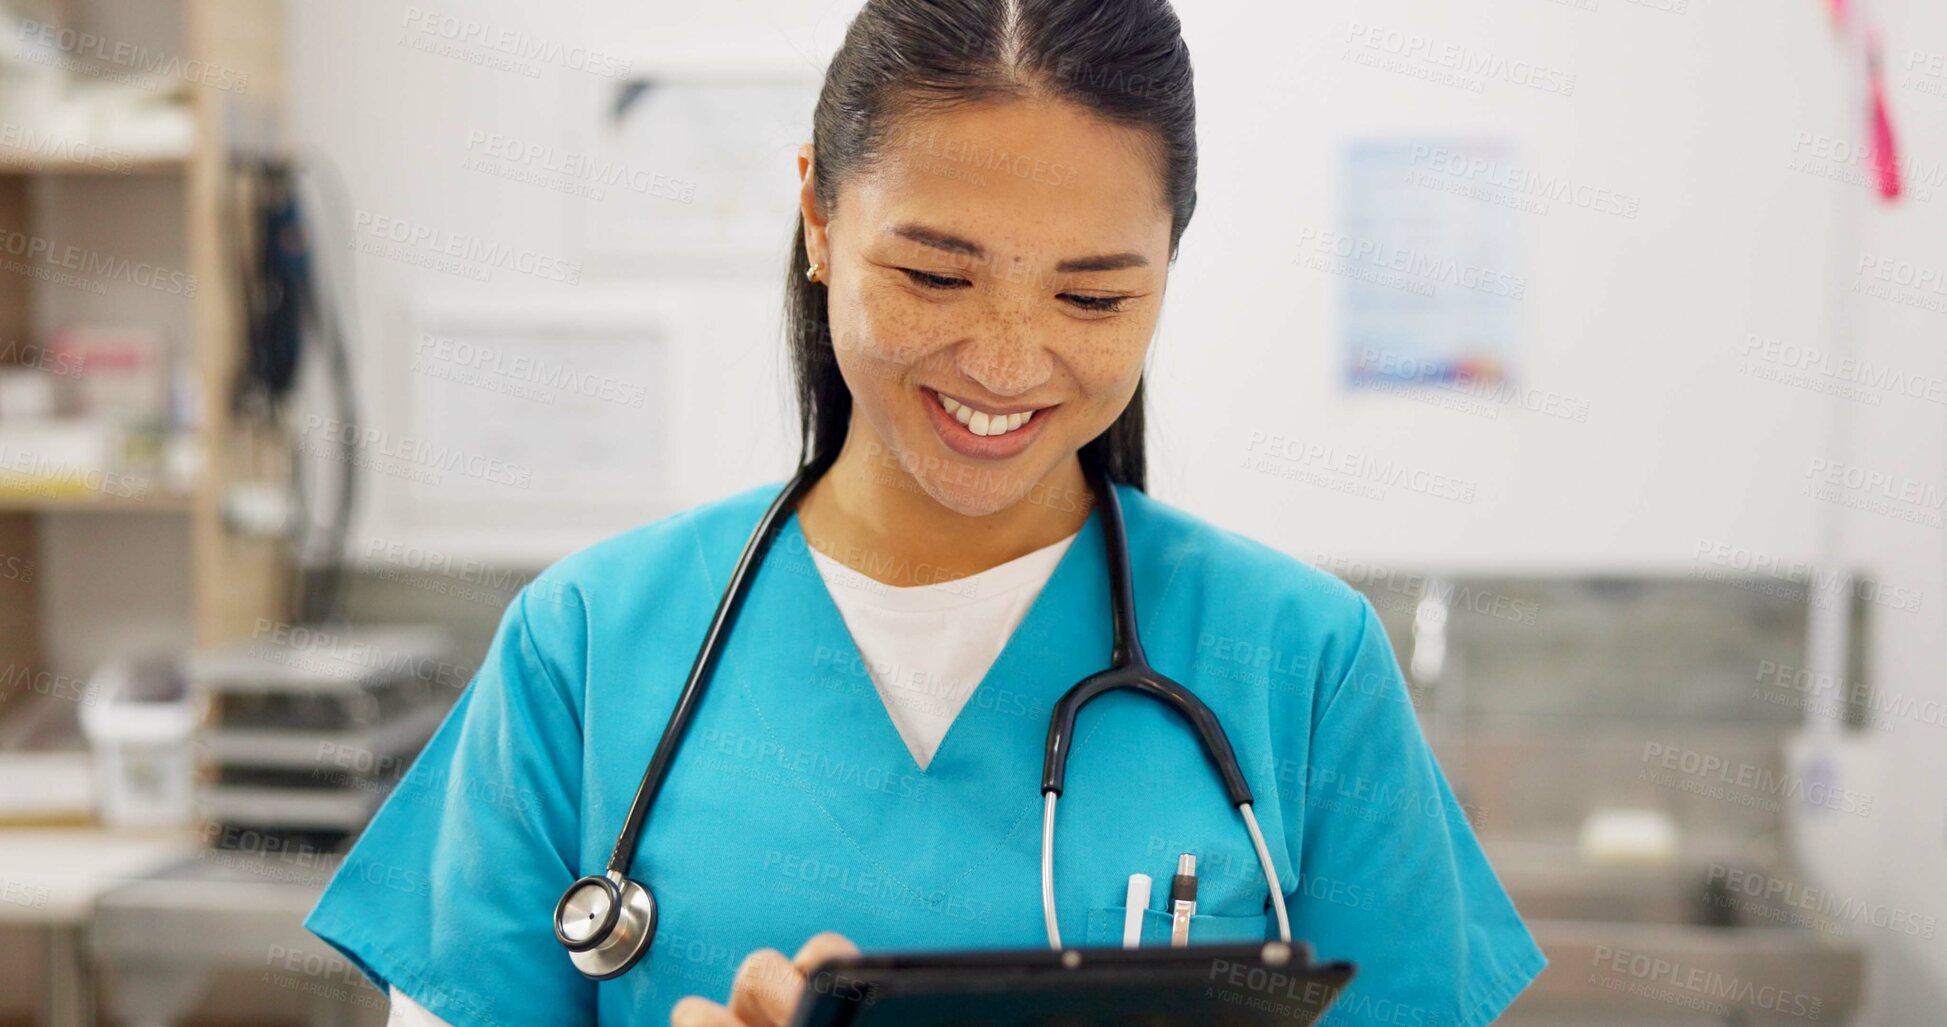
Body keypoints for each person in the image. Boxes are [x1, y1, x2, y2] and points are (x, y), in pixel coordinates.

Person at [304, 1, 1547, 1024]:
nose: (1008, 362)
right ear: (819, 219)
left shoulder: (1300, 664)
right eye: (935, 274)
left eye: (1096, 297)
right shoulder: (584, 646)